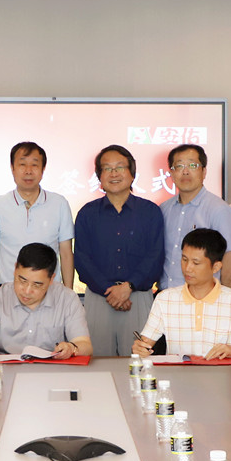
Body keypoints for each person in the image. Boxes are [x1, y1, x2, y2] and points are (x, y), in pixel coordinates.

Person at [133, 229, 231, 360]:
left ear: (216, 267)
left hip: (222, 380)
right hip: (178, 379)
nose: (187, 268)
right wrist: (140, 348)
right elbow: (145, 343)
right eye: (184, 259)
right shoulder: (165, 299)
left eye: (196, 263)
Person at [73, 145, 163, 356]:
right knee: (97, 363)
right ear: (99, 176)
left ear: (132, 174)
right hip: (99, 298)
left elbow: (155, 256)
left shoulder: (150, 212)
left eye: (120, 167)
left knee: (139, 362)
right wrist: (109, 290)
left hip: (138, 298)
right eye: (107, 168)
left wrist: (128, 287)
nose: (114, 173)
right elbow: (82, 259)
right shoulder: (87, 213)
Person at [0, 243, 92, 359]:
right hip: (6, 371)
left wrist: (72, 348)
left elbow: (85, 345)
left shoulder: (67, 299)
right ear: (15, 269)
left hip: (53, 370)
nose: (27, 291)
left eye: (37, 285)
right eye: (22, 280)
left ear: (51, 279)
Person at [0, 142, 74, 291]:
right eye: (22, 164)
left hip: (48, 291)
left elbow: (66, 254)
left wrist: (68, 295)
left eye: (34, 165)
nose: (28, 171)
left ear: (43, 169)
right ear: (12, 168)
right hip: (8, 290)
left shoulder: (59, 204)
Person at [159, 143, 231, 290]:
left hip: (203, 298)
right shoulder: (164, 209)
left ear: (204, 172)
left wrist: (219, 299)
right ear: (171, 173)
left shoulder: (219, 210)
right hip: (166, 296)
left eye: (192, 165)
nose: (185, 172)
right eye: (179, 166)